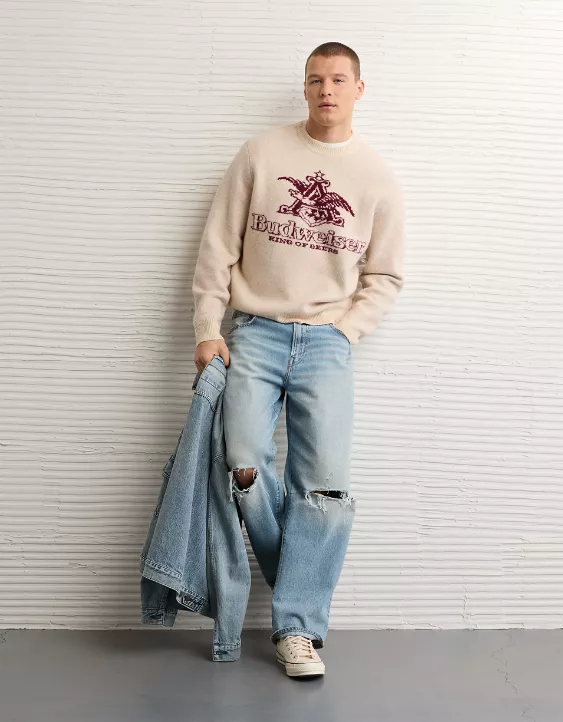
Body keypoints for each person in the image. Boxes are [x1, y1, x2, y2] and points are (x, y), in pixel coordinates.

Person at [191, 41, 405, 678]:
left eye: (338, 80)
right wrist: (206, 327)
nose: (326, 90)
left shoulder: (376, 177)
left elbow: (386, 275)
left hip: (327, 343)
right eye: (315, 80)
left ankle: (296, 629)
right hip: (254, 333)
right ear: (305, 88)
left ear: (359, 89)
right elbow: (217, 247)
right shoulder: (262, 154)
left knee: (326, 489)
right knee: (243, 465)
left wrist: (346, 332)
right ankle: (300, 583)